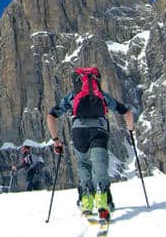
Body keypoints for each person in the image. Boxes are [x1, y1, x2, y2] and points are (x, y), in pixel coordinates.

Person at [46, 67, 136, 221]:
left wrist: (56, 140)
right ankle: (102, 198)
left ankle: (86, 200)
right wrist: (131, 131)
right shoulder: (102, 96)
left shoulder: (72, 96)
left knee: (83, 164)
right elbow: (127, 113)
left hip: (78, 132)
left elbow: (51, 116)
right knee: (100, 163)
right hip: (99, 130)